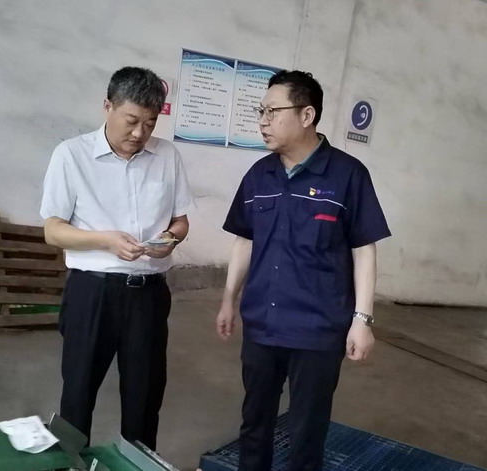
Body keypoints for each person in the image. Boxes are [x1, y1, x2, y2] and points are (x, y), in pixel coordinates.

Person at [216, 70, 391, 471]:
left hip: (317, 331)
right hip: (262, 324)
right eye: (261, 111)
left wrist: (362, 320)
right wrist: (228, 299)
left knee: (306, 434)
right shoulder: (259, 175)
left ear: (307, 115)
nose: (263, 121)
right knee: (254, 424)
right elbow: (245, 239)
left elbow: (364, 249)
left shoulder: (348, 175)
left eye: (273, 111)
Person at [40, 66, 192, 450]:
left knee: (145, 396)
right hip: (93, 293)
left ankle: (138, 462)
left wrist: (171, 238)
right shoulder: (71, 155)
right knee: (78, 393)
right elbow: (53, 230)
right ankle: (70, 462)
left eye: (150, 123)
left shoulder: (167, 156)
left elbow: (181, 220)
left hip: (148, 294)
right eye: (131, 120)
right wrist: (105, 241)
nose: (139, 133)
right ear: (108, 106)